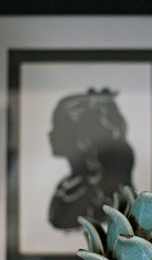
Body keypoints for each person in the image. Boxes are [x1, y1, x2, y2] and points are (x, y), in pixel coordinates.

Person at [48, 88, 135, 229]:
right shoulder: (69, 187)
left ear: (82, 134)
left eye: (58, 127)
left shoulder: (95, 193)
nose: (50, 133)